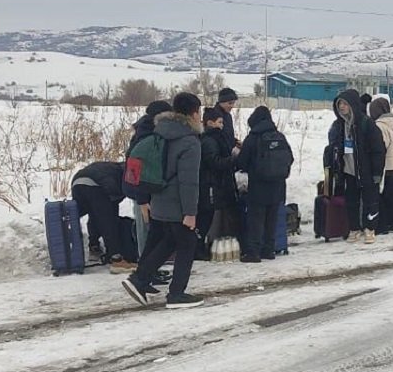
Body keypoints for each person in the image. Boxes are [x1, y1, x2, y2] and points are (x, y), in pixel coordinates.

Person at [123, 92, 205, 309]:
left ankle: (139, 279)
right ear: (195, 112)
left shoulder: (161, 131)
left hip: (158, 199)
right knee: (187, 243)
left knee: (169, 241)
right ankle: (176, 294)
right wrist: (190, 212)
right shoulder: (190, 141)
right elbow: (189, 181)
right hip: (178, 204)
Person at [328, 89, 386, 245]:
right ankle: (354, 228)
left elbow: (378, 150)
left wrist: (377, 173)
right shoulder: (339, 125)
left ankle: (370, 228)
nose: (341, 107)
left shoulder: (366, 124)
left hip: (366, 170)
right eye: (339, 104)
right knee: (351, 201)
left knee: (370, 201)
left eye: (345, 104)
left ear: (352, 105)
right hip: (348, 170)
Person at [236, 106, 292, 261]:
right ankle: (269, 250)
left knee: (256, 219)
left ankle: (253, 252)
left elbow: (242, 162)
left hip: (259, 186)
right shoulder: (279, 136)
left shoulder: (253, 138)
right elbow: (290, 158)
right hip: (278, 186)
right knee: (271, 218)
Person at [125, 100, 171, 254]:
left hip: (144, 186)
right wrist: (142, 199)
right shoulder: (146, 136)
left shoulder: (146, 131)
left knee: (147, 224)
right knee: (145, 225)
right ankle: (145, 262)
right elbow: (136, 168)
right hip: (141, 188)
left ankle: (149, 261)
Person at [71, 161, 133, 273]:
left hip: (77, 182)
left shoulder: (113, 167)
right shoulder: (126, 173)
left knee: (94, 214)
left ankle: (94, 247)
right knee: (108, 221)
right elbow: (113, 204)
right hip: (95, 186)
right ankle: (116, 259)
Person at [196, 106, 240, 258]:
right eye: (220, 122)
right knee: (205, 217)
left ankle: (203, 247)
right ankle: (199, 248)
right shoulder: (209, 140)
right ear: (210, 123)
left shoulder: (217, 138)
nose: (222, 125)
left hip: (217, 183)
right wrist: (233, 159)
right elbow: (214, 162)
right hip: (211, 184)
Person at [370, 97, 393, 234]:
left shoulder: (380, 126)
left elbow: (381, 147)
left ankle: (383, 224)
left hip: (386, 166)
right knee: (392, 197)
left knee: (382, 197)